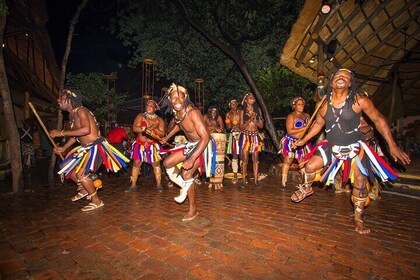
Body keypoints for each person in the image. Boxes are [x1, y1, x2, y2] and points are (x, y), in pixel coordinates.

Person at [291, 69, 411, 234]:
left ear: (350, 83)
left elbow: (378, 119)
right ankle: (306, 188)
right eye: (337, 76)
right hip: (332, 146)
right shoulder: (324, 103)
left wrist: (392, 144)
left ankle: (358, 218)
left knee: (359, 183)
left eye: (346, 77)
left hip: (355, 147)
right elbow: (318, 125)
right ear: (331, 82)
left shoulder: (359, 100)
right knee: (310, 167)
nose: (341, 77)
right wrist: (304, 140)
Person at [50, 89, 130, 211]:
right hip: (85, 148)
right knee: (65, 165)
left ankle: (96, 200)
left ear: (70, 100)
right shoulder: (72, 115)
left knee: (81, 174)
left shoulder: (81, 110)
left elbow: (86, 130)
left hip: (96, 146)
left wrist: (61, 133)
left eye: (61, 98)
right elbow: (76, 136)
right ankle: (84, 188)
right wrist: (64, 148)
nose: (58, 100)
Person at [161, 83, 211, 221]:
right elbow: (179, 124)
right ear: (170, 100)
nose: (177, 101)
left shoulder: (193, 113)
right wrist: (167, 136)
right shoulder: (177, 112)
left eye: (180, 97)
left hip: (203, 145)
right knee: (167, 163)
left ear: (186, 97)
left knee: (186, 173)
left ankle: (193, 209)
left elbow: (205, 137)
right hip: (190, 145)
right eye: (173, 98)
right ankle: (185, 185)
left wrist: (191, 159)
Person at [126, 100, 166, 192]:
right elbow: (135, 128)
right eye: (147, 106)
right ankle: (133, 186)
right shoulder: (141, 116)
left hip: (153, 145)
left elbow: (162, 133)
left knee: (156, 164)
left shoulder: (159, 120)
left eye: (151, 106)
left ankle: (159, 184)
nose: (148, 107)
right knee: (136, 164)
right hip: (140, 144)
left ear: (155, 109)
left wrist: (154, 129)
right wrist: (145, 129)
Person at [279, 96, 312, 189]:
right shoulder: (291, 116)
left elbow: (309, 129)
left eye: (303, 104)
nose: (301, 106)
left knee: (302, 162)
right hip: (291, 142)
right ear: (294, 106)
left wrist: (309, 128)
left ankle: (305, 183)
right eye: (299, 104)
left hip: (302, 142)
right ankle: (283, 182)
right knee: (288, 161)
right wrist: (304, 128)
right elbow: (290, 131)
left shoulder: (306, 116)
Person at [239, 92, 264, 187]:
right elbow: (241, 127)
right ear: (245, 100)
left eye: (253, 97)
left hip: (255, 136)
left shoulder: (258, 110)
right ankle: (243, 179)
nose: (252, 98)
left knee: (255, 159)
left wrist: (254, 120)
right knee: (245, 159)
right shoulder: (242, 111)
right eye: (250, 97)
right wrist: (249, 120)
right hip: (245, 136)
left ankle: (256, 179)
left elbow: (261, 125)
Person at [225, 99, 242, 184]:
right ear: (230, 106)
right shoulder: (228, 114)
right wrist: (229, 126)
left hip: (242, 134)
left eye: (235, 103)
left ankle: (243, 174)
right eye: (232, 104)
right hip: (233, 135)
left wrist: (239, 128)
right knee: (235, 155)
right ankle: (235, 175)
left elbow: (244, 123)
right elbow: (228, 128)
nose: (234, 105)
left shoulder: (241, 112)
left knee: (243, 155)